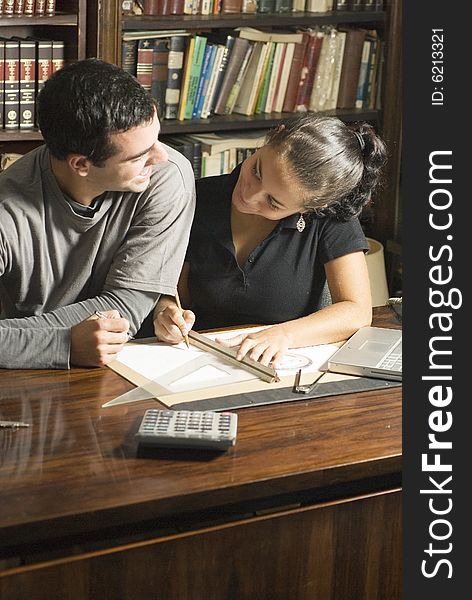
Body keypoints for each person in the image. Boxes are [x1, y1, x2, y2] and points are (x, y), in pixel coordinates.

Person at [0, 59, 195, 369]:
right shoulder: (6, 213)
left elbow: (125, 308)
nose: (161, 156)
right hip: (26, 376)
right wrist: (61, 343)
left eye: (157, 138)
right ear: (81, 165)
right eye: (140, 155)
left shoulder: (167, 177)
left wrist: (18, 340)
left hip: (127, 364)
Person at [153, 114, 387, 367]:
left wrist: (283, 335)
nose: (249, 195)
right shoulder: (195, 198)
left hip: (286, 365)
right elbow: (174, 295)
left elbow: (356, 311)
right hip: (197, 358)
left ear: (312, 207)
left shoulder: (330, 220)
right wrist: (166, 313)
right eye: (256, 170)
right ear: (274, 135)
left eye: (273, 203)